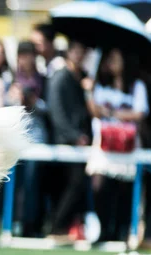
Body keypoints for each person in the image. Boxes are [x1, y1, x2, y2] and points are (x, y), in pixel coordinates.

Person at [86, 48, 149, 242]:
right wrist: (88, 89)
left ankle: (120, 231)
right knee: (99, 185)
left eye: (116, 59)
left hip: (127, 145)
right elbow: (95, 111)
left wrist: (112, 114)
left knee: (124, 189)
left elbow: (140, 113)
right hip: (104, 144)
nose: (112, 63)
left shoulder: (136, 86)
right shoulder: (101, 84)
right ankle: (104, 229)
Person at [46, 40, 92, 241]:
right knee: (73, 184)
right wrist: (73, 135)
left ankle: (64, 227)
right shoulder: (60, 77)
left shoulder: (83, 78)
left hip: (80, 141)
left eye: (82, 51)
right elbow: (56, 112)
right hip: (65, 141)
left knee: (74, 185)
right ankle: (57, 227)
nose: (79, 55)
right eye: (76, 51)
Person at [7, 41, 48, 237]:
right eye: (21, 55)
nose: (25, 59)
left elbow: (49, 109)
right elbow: (4, 107)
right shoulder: (12, 79)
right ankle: (13, 221)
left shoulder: (44, 79)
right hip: (15, 135)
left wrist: (34, 102)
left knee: (33, 182)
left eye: (28, 54)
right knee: (15, 181)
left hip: (36, 136)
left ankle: (31, 223)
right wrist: (15, 99)